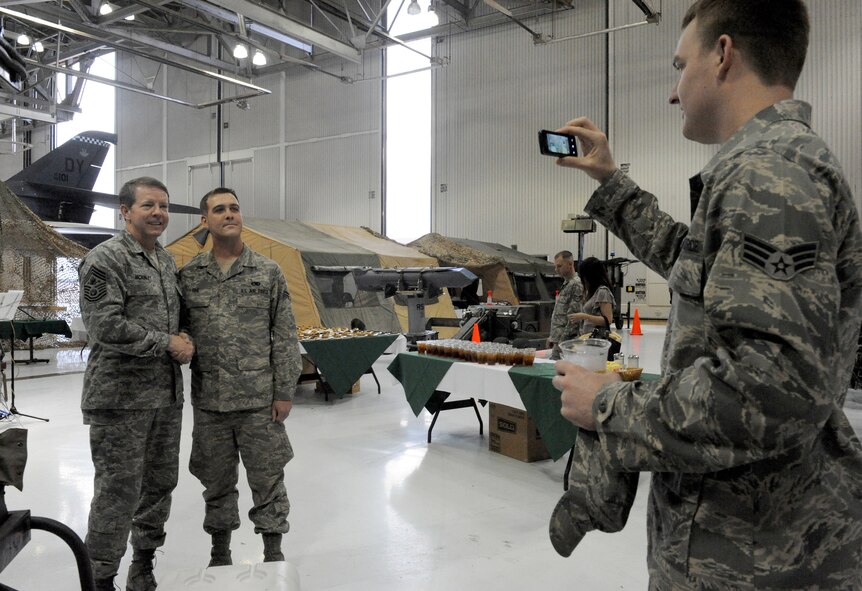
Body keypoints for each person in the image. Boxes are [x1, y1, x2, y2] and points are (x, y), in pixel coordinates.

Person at [550, 0, 862, 588]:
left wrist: (607, 406)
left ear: (722, 55)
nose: (673, 92)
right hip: (753, 540)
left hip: (752, 554)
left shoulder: (771, 175)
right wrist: (609, 183)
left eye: (678, 65)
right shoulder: (763, 168)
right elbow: (695, 263)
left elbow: (771, 391)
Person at [79, 177, 194, 591]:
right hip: (120, 399)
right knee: (117, 491)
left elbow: (176, 319)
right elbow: (105, 326)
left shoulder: (164, 261)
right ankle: (101, 577)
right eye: (148, 205)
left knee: (160, 485)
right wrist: (169, 343)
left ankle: (142, 566)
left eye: (163, 205)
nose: (159, 213)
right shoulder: (104, 260)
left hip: (164, 397)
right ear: (125, 211)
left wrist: (185, 337)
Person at [178, 188, 302, 567]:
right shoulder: (189, 276)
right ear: (205, 221)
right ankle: (220, 553)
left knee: (268, 481)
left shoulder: (267, 272)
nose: (229, 214)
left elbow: (284, 334)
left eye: (234, 208)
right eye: (219, 209)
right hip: (211, 403)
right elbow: (180, 329)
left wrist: (284, 391)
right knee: (216, 483)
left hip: (258, 403)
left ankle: (273, 552)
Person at [567, 257, 615, 336]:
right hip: (588, 337)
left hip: (598, 339)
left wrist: (584, 316)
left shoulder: (603, 292)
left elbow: (608, 320)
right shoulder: (591, 292)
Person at [547, 250, 584, 353]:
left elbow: (573, 318)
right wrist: (552, 337)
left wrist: (562, 343)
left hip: (567, 343)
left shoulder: (576, 284)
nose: (556, 270)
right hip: (559, 340)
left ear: (570, 264)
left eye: (559, 266)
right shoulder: (567, 284)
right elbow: (559, 314)